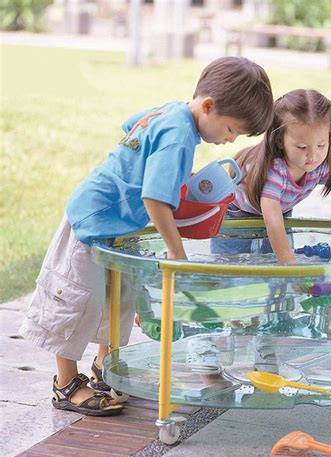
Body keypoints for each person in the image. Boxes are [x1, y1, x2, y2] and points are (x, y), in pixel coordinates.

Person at [19, 57, 274, 416]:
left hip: (116, 226)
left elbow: (131, 126)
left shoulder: (172, 113)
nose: (230, 139)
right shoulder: (180, 137)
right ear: (208, 106)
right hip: (90, 223)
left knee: (119, 300)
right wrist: (176, 251)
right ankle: (65, 384)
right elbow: (154, 197)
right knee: (79, 304)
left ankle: (105, 371)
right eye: (232, 129)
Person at [212, 88, 331, 264]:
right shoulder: (275, 171)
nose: (312, 156)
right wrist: (290, 263)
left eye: (321, 145)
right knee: (228, 264)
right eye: (301, 147)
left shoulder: (320, 167)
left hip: (279, 214)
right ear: (279, 140)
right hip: (237, 214)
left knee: (273, 264)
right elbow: (273, 222)